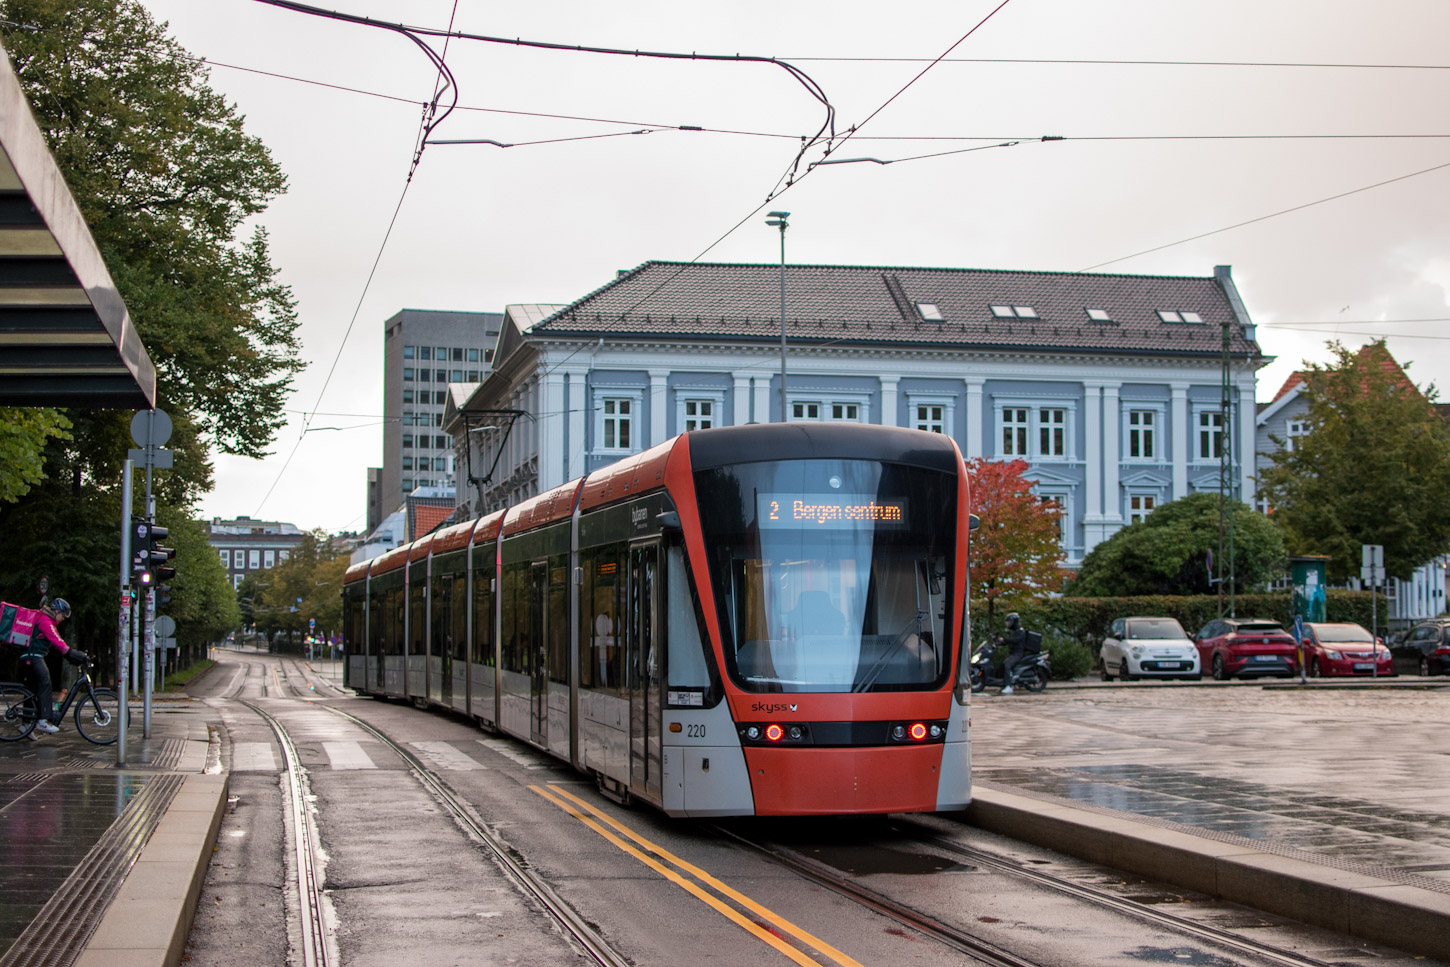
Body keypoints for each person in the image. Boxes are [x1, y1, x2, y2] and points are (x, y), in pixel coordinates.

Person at [9, 598, 87, 736]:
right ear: (56, 611)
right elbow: (59, 643)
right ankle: (43, 720)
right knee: (45, 682)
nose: (63, 619)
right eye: (62, 615)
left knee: (32, 691)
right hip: (33, 656)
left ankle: (26, 725)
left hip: (29, 656)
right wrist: (77, 655)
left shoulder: (43, 619)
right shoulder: (46, 622)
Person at [998, 612, 1027, 695]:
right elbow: (1011, 641)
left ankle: (1009, 686)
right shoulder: (1015, 631)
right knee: (1002, 665)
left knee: (1007, 665)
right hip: (1013, 653)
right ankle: (1003, 684)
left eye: (1010, 622)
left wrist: (1004, 639)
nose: (1008, 624)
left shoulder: (1020, 631)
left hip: (1018, 653)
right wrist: (1000, 643)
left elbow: (1015, 640)